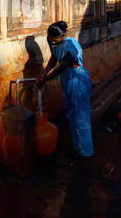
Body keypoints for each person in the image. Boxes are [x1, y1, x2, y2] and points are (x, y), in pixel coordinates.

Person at [36, 21, 93, 159]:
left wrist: (46, 78)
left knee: (81, 115)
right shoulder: (51, 40)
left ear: (63, 36)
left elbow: (62, 66)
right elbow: (54, 58)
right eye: (50, 38)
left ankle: (86, 151)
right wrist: (43, 73)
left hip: (77, 80)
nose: (52, 41)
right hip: (66, 79)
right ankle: (77, 146)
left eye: (55, 39)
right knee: (70, 113)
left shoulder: (71, 45)